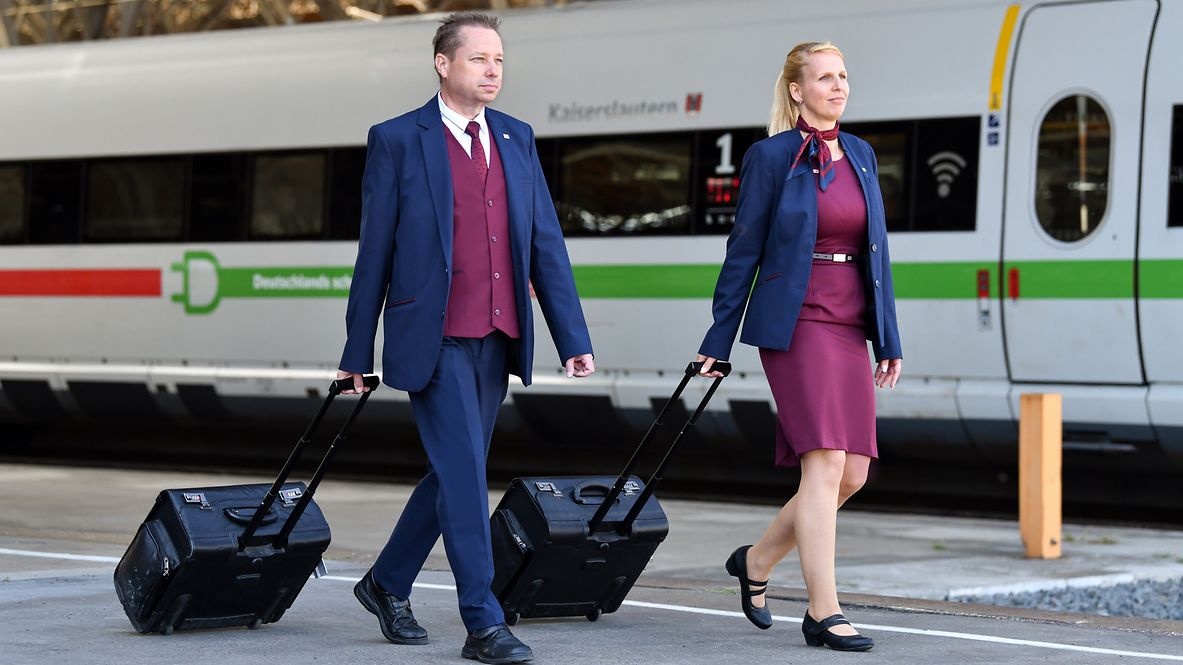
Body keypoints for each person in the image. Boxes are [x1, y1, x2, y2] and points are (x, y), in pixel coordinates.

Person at [335, 12, 594, 664]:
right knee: (464, 476)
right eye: (479, 59)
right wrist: (354, 353)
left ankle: (385, 581)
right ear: (443, 64)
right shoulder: (398, 139)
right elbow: (375, 255)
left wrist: (571, 335)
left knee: (456, 471)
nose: (492, 70)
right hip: (436, 336)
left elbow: (543, 244)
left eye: (499, 60)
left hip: (498, 333)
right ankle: (483, 620)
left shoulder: (515, 137)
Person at [695, 41, 902, 652]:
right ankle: (823, 610)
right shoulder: (770, 157)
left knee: (854, 473)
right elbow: (743, 252)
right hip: (796, 320)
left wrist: (888, 336)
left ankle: (756, 562)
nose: (838, 87)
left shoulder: (861, 153)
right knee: (825, 462)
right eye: (824, 78)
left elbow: (879, 255)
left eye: (843, 77)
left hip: (849, 321)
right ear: (796, 89)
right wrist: (717, 338)